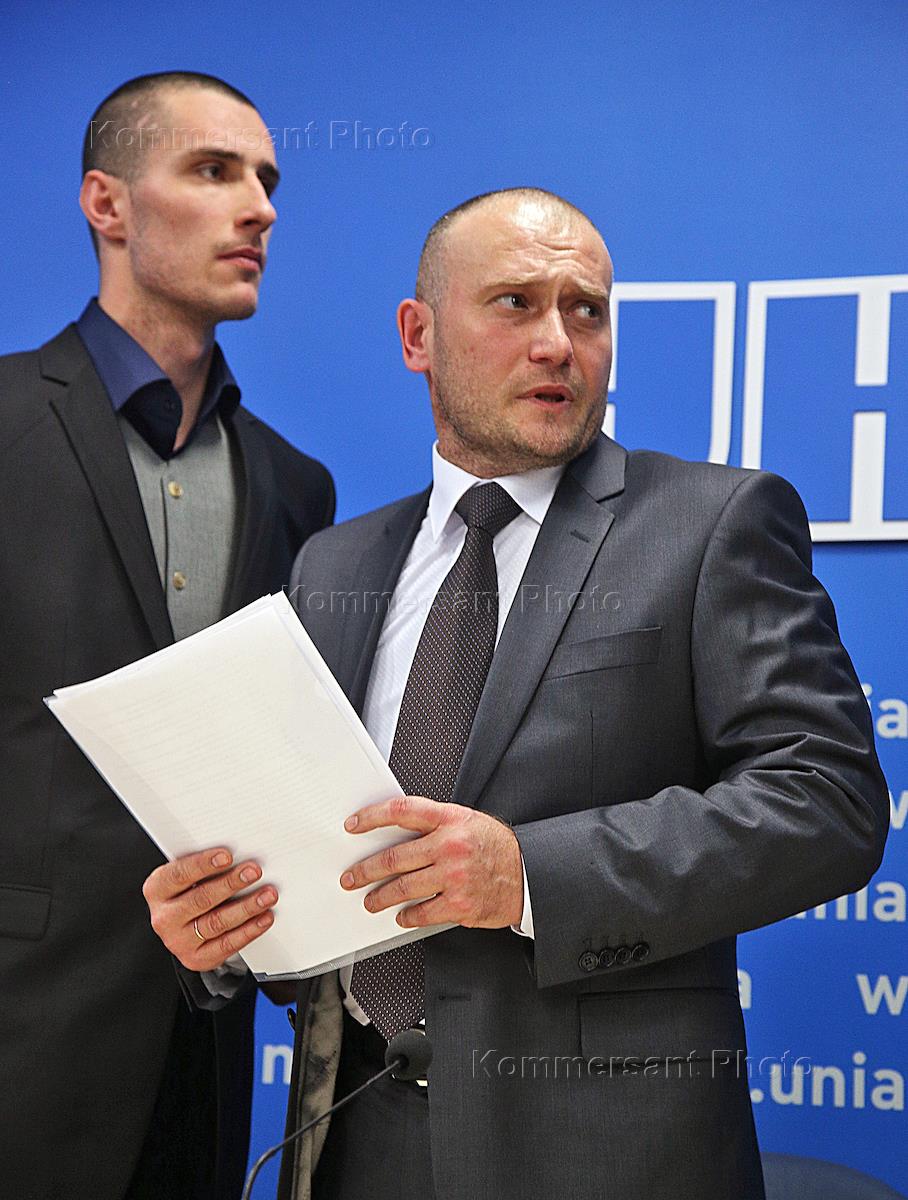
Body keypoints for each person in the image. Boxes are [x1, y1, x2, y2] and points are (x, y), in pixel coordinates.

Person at [143, 188, 888, 1200]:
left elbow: (827, 804)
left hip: (602, 1157)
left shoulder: (712, 523)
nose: (557, 344)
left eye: (586, 311)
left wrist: (529, 876)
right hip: (352, 1140)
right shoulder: (336, 562)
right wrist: (228, 934)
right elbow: (323, 856)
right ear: (418, 335)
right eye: (514, 304)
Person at [0, 72, 334, 1200]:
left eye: (267, 180)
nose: (260, 208)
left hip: (204, 1054)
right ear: (108, 204)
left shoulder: (297, 485)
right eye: (213, 171)